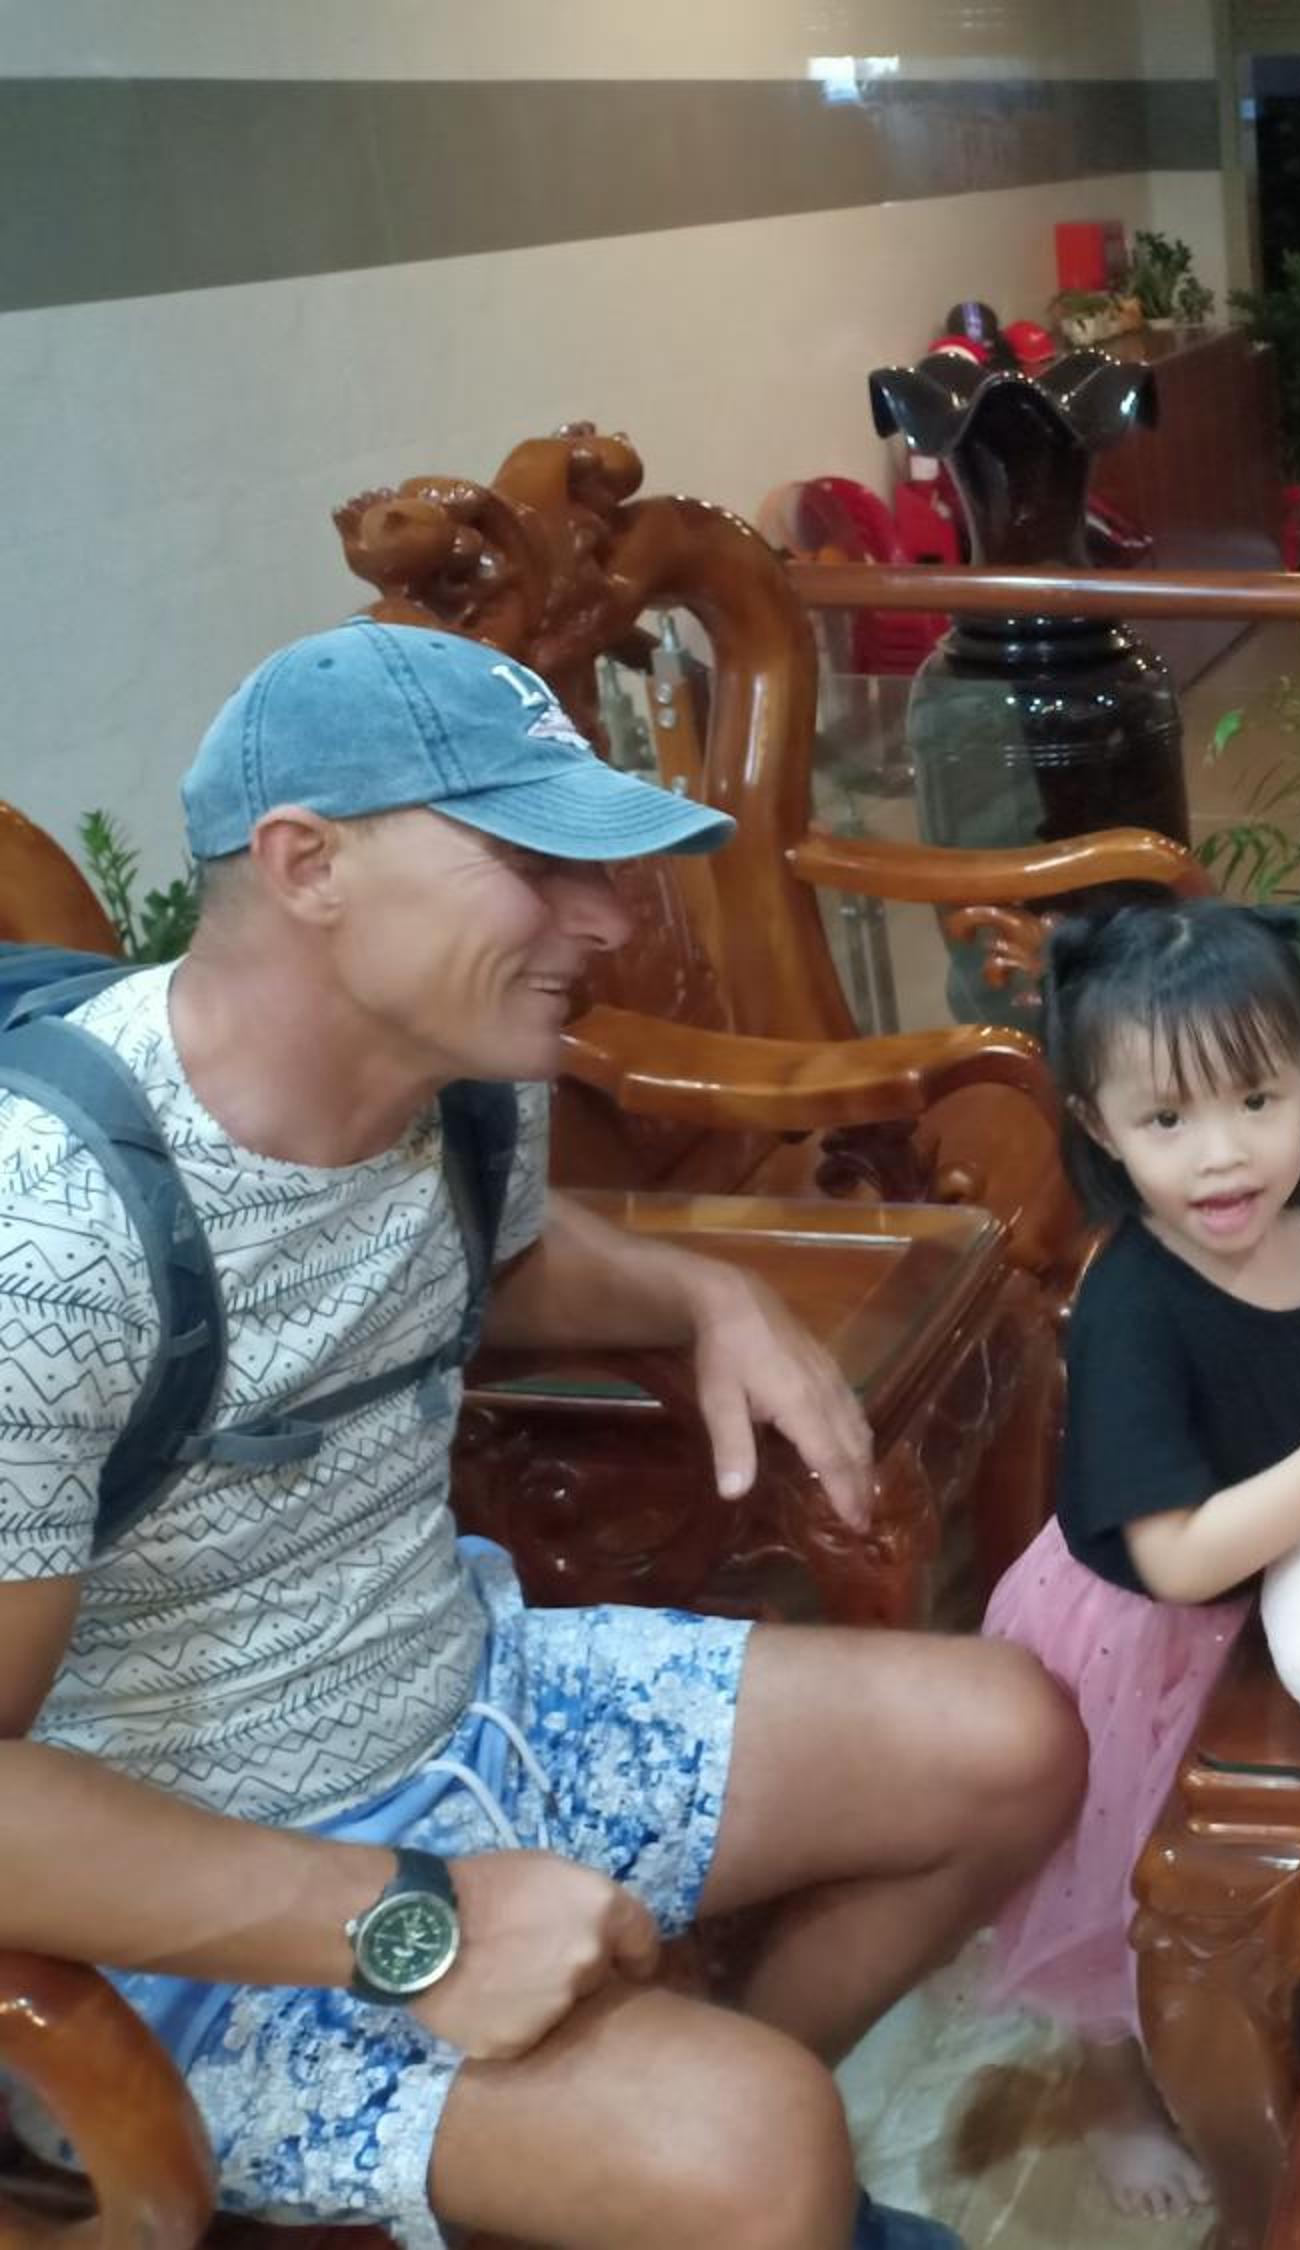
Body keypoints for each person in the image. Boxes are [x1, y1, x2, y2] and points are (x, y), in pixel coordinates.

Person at [0, 621, 1086, 2250]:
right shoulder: (45, 1240)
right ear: (307, 865)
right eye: (534, 863)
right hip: (181, 1913)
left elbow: (497, 1257)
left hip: (473, 1694)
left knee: (1009, 1741)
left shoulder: (459, 1075)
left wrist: (703, 1292)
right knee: (758, 2143)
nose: (611, 919)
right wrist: (418, 1924)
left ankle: (647, 2164)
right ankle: (708, 2163)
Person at [976, 898, 1300, 2216]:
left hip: (1268, 1583)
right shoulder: (1132, 1310)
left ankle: (1275, 1985)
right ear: (1100, 1126)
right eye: (1167, 1120)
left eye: (1257, 1101)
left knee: (1249, 1853)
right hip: (1139, 1639)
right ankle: (1110, 2093)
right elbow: (1177, 1556)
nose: (1223, 1156)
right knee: (1117, 1885)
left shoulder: (1290, 1204)